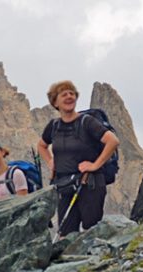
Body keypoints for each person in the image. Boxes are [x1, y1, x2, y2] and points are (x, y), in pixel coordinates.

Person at [36, 80, 120, 236]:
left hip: (89, 183)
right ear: (55, 102)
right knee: (66, 233)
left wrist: (95, 165)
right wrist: (50, 161)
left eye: (72, 93)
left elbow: (112, 141)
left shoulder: (87, 122)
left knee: (91, 228)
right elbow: (41, 145)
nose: (69, 96)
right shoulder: (53, 126)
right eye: (64, 94)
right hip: (64, 185)